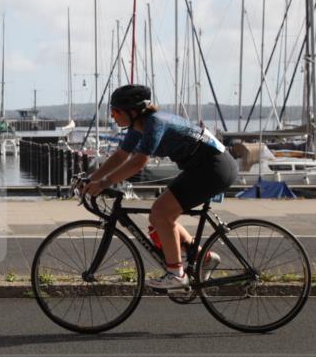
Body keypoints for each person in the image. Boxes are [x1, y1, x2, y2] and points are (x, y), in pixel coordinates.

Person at [79, 84, 238, 290]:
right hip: (201, 166)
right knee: (159, 217)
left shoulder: (155, 122)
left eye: (116, 111)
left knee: (162, 213)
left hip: (214, 167)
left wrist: (103, 184)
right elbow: (120, 156)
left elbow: (138, 162)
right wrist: (91, 178)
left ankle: (176, 274)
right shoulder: (138, 127)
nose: (112, 116)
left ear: (133, 112)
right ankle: (203, 257)